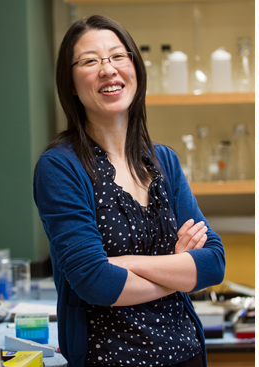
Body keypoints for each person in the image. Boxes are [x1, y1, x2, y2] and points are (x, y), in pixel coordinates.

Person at [33, 15, 225, 367]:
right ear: (71, 84)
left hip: (187, 354)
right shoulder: (60, 168)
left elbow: (213, 263)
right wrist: (179, 273)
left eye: (118, 56)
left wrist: (128, 264)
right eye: (90, 61)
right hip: (108, 359)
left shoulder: (163, 161)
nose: (108, 69)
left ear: (135, 67)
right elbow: (97, 282)